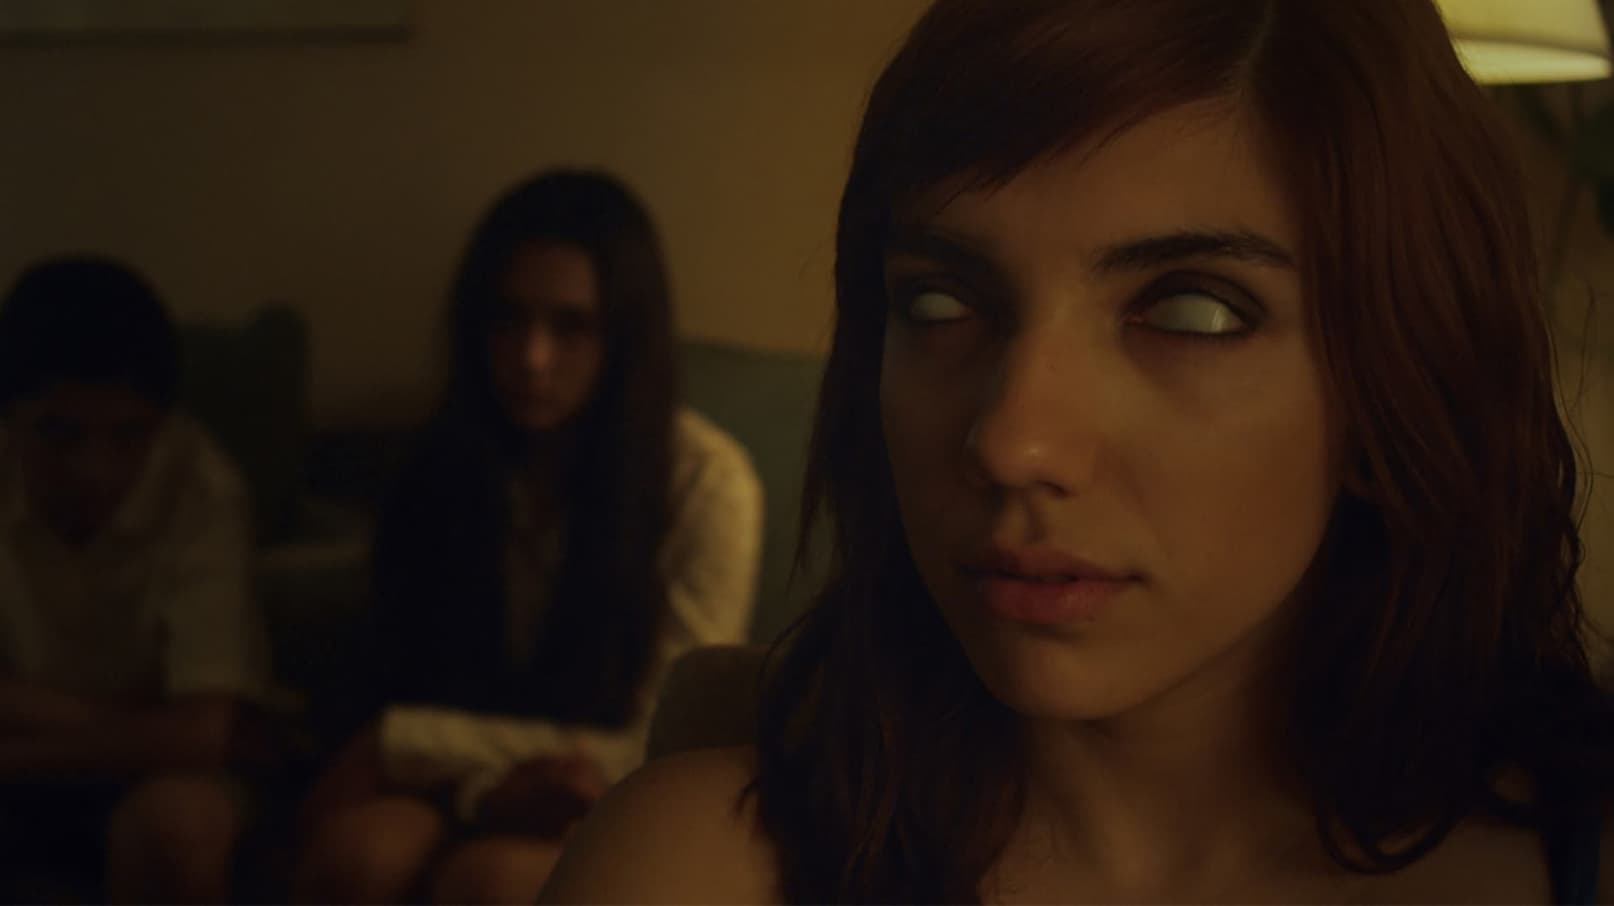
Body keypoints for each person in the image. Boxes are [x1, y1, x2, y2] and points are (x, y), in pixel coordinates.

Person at [540, 1, 1614, 903]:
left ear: (1396, 387)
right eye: (940, 302)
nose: (1012, 442)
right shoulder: (702, 871)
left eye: (1192, 313)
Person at [293, 169, 763, 904]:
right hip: (458, 779)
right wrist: (473, 782)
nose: (532, 358)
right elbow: (402, 665)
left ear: (623, 336)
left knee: (494, 884)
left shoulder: (704, 483)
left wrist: (407, 741)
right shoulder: (447, 462)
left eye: (570, 327)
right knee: (360, 856)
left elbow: (672, 739)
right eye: (508, 320)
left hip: (602, 789)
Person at [0, 256, 272, 903]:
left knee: (177, 827)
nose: (95, 471)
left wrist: (23, 730)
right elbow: (199, 731)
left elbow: (202, 736)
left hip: (155, 778)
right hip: (119, 749)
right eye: (61, 435)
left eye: (128, 436)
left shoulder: (200, 489)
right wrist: (150, 729)